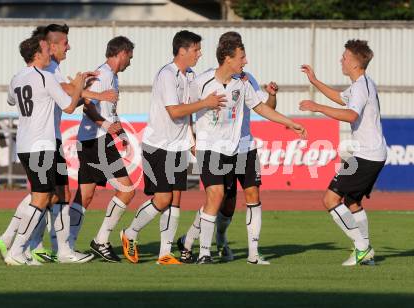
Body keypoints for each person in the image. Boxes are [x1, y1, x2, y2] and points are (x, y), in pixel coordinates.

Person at [185, 32, 306, 264]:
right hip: (211, 148)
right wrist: (191, 140)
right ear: (228, 58)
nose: (246, 61)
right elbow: (185, 110)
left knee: (252, 195)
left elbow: (261, 108)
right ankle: (202, 252)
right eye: (242, 56)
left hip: (243, 148)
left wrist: (290, 123)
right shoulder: (201, 82)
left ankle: (253, 254)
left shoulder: (243, 81)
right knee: (217, 197)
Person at [120, 30, 225, 264]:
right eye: (196, 49)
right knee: (163, 198)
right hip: (158, 145)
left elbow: (187, 117)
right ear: (183, 50)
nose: (200, 54)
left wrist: (192, 143)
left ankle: (165, 255)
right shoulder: (167, 75)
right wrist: (206, 103)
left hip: (178, 146)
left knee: (175, 198)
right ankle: (130, 233)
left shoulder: (190, 76)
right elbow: (174, 111)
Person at [299, 39, 386, 266]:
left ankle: (362, 248)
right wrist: (315, 81)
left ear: (355, 63)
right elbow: (341, 98)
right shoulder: (363, 83)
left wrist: (317, 107)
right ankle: (365, 254)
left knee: (330, 199)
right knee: (352, 202)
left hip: (366, 155)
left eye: (345, 57)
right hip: (369, 153)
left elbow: (350, 115)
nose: (341, 60)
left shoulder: (360, 87)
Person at [4, 34, 88, 265]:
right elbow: (69, 106)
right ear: (37, 54)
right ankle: (17, 251)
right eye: (45, 49)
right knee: (41, 197)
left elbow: (12, 100)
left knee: (48, 195)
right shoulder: (46, 77)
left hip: (25, 144)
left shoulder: (17, 77)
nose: (50, 52)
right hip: (42, 145)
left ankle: (31, 249)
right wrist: (79, 85)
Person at [69, 36, 135, 263]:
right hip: (95, 140)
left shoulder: (112, 77)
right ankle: (100, 240)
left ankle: (66, 244)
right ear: (122, 53)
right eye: (130, 57)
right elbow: (87, 106)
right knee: (127, 190)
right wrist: (107, 126)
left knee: (85, 195)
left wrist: (120, 132)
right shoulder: (103, 75)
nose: (130, 62)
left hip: (97, 140)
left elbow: (108, 110)